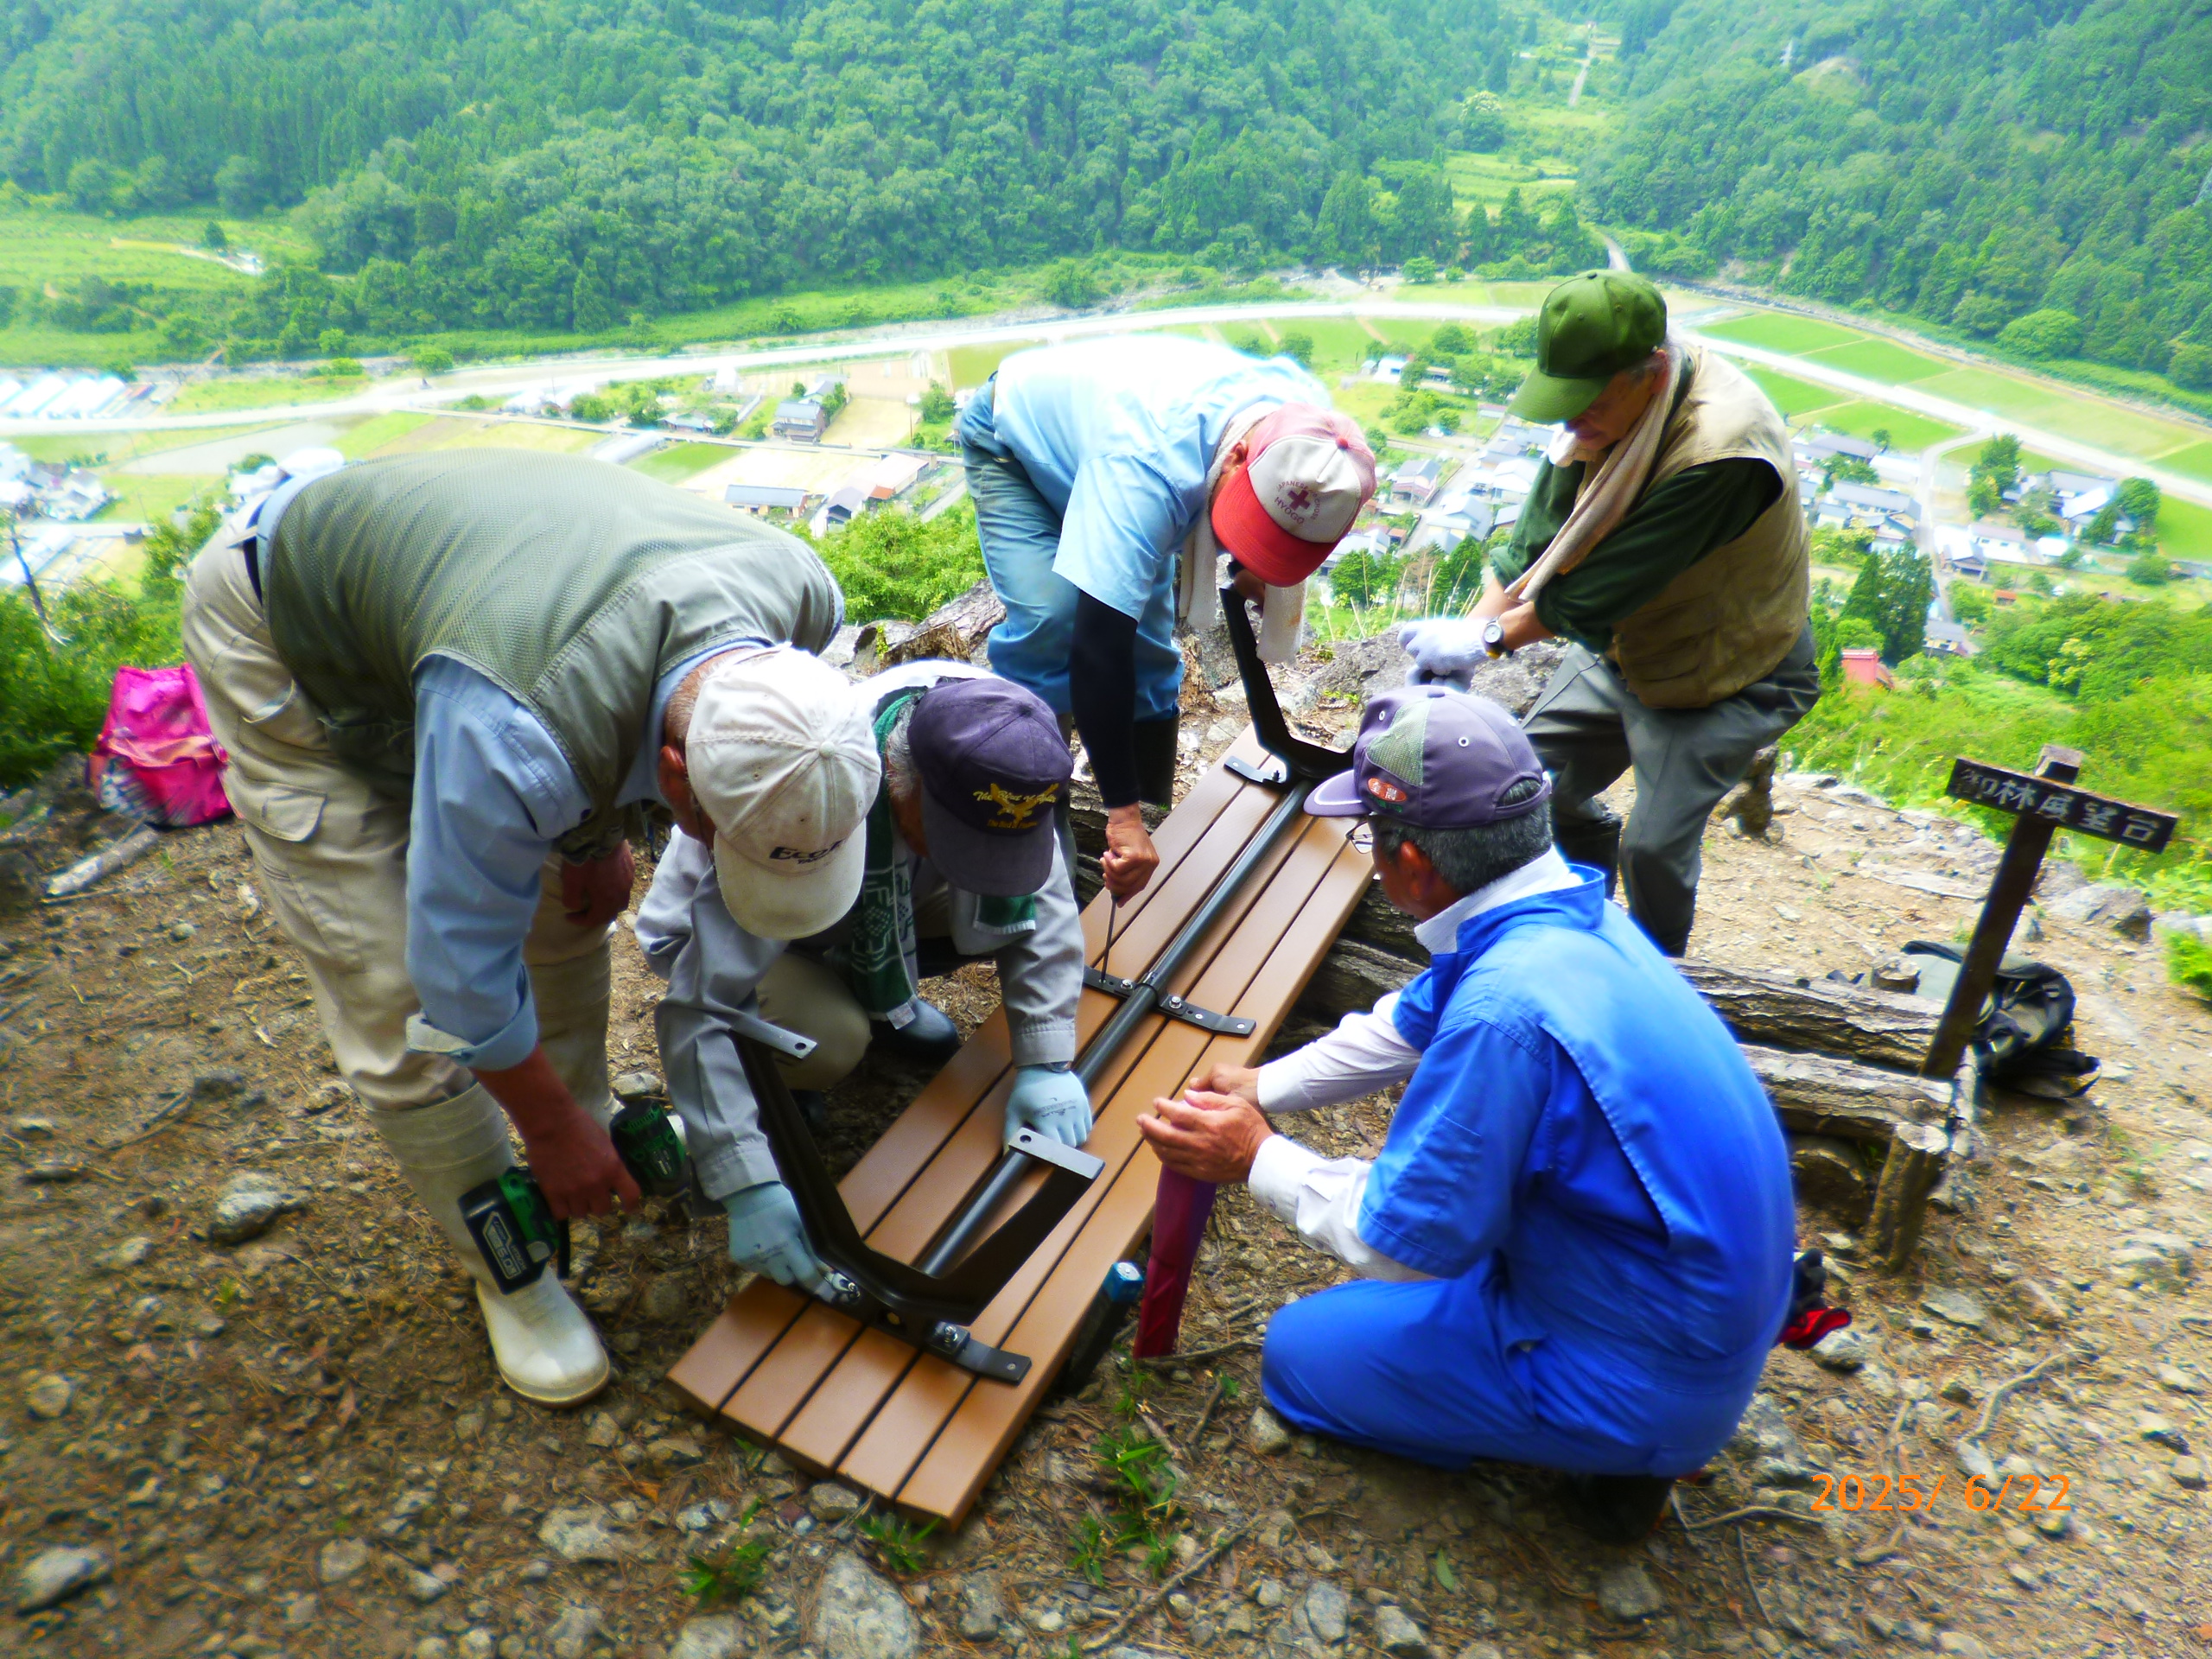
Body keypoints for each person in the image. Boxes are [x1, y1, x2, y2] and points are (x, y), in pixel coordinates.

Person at [180, 447, 867, 1407]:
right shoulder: (515, 735)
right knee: (390, 985)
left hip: (491, 625)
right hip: (289, 626)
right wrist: (539, 1127)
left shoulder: (802, 596)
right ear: (674, 771)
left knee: (569, 904)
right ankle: (510, 1266)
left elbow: (610, 709)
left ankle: (588, 1130)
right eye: (712, 830)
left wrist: (596, 834)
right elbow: (454, 981)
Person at [1136, 686, 1796, 1539]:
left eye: (1372, 840)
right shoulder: (1561, 918)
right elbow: (1404, 1023)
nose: (1370, 859)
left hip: (1644, 1371)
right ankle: (1601, 1422)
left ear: (1413, 865)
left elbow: (1396, 1243)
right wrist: (1264, 1087)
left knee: (1300, 1352)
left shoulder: (1504, 1013)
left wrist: (1253, 1155)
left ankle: (1618, 1454)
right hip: (1691, 1300)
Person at [634, 661, 1090, 1292]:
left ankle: (880, 991)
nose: (976, 864)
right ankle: (786, 1077)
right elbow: (703, 1006)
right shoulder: (812, 801)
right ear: (901, 783)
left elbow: (1044, 901)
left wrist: (1045, 1057)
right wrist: (744, 1178)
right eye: (955, 840)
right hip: (744, 911)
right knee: (833, 1039)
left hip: (863, 892)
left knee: (991, 897)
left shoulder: (999, 747)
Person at [1399, 270, 1816, 957]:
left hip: (1725, 669)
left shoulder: (1723, 451)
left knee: (1654, 846)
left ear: (1650, 372)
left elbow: (1595, 595)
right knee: (1522, 786)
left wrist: (1487, 641)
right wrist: (1464, 639)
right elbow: (1532, 542)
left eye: (1584, 403)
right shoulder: (1602, 414)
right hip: (1624, 647)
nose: (1570, 422)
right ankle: (1582, 891)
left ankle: (1650, 981)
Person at [956, 334, 1376, 898]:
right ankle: (1022, 824)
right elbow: (1097, 653)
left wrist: (1262, 562)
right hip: (1018, 445)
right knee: (1053, 623)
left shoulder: (1320, 443)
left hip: (1118, 444)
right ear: (1234, 460)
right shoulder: (1146, 469)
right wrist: (1119, 813)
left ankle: (1151, 821)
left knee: (1151, 654)